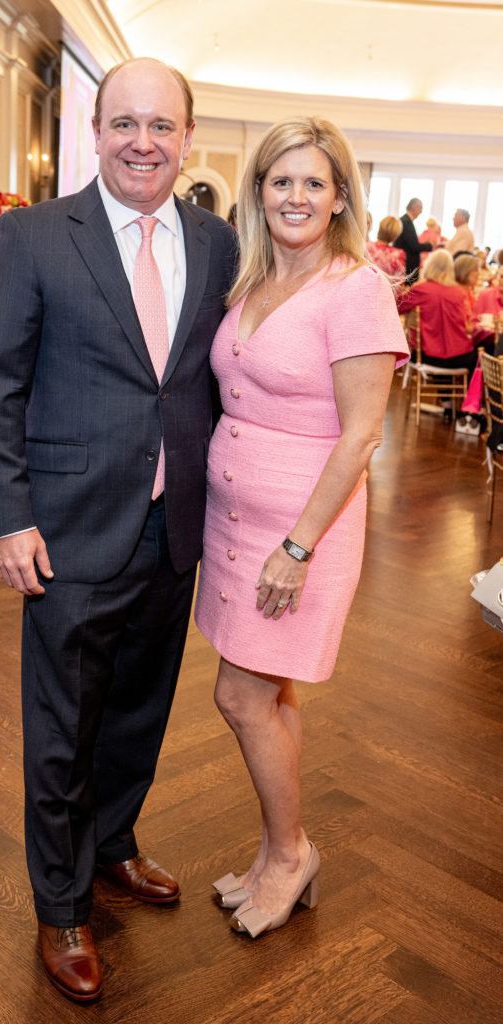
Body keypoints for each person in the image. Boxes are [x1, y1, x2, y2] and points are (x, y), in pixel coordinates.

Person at [0, 57, 237, 1002]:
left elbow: (206, 381)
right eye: (126, 123)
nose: (144, 142)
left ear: (188, 137)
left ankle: (113, 844)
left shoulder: (217, 243)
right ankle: (62, 906)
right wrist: (8, 518)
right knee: (61, 726)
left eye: (162, 125)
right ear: (95, 129)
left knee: (138, 710)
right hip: (70, 530)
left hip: (173, 529)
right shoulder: (36, 235)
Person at [193, 116, 409, 940]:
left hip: (298, 532)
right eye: (281, 180)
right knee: (267, 693)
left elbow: (362, 434)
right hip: (232, 520)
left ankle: (291, 855)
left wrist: (296, 547)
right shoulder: (250, 279)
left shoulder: (354, 288)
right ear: (258, 192)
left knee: (241, 694)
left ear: (340, 196)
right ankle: (272, 852)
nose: (296, 195)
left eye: (314, 182)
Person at [397, 250, 477, 421]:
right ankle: (469, 409)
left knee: (434, 344)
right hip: (458, 358)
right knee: (478, 357)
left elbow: (398, 306)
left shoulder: (422, 290)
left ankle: (448, 406)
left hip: (427, 357)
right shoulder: (457, 292)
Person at [393, 197, 432, 283]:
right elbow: (414, 246)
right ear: (415, 207)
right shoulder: (406, 222)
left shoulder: (405, 221)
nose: (421, 212)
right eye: (420, 208)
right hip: (407, 267)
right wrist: (430, 245)